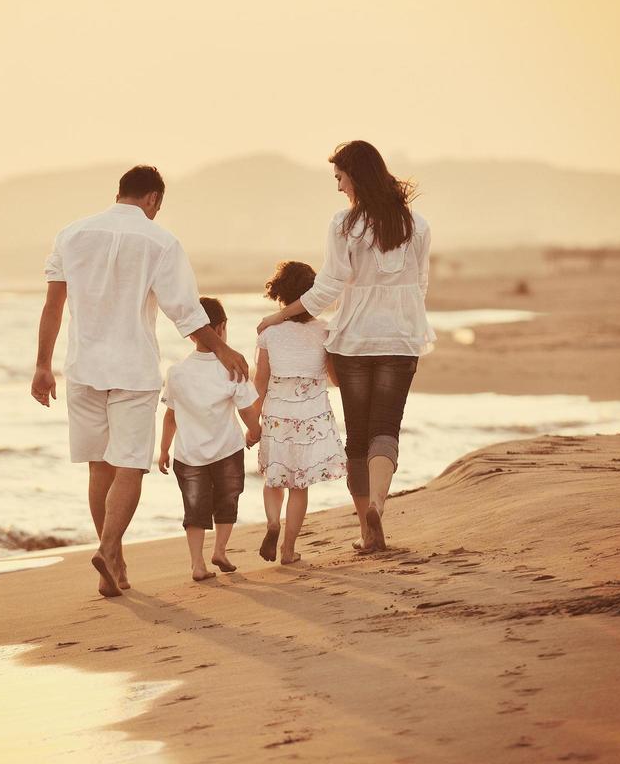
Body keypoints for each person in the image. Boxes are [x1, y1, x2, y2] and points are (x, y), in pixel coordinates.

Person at [33, 165, 250, 598]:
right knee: (130, 464)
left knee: (99, 465)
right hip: (133, 369)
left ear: (120, 193)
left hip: (82, 367)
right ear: (153, 200)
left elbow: (53, 307)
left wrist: (42, 365)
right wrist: (223, 349)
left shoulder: (71, 235)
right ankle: (109, 547)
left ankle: (109, 563)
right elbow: (185, 312)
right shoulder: (161, 241)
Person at [256, 141, 433, 553]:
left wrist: (278, 317)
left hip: (353, 342)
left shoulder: (344, 225)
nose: (338, 187)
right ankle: (376, 506)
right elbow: (420, 286)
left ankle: (366, 530)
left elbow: (327, 289)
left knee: (357, 436)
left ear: (356, 175)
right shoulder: (417, 225)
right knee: (386, 429)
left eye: (340, 177)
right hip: (402, 340)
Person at [157, 297, 262, 582]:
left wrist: (164, 449)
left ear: (191, 333)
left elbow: (170, 416)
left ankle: (197, 564)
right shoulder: (234, 366)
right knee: (228, 500)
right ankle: (220, 550)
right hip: (227, 450)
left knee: (194, 509)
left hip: (188, 455)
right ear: (222, 328)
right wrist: (256, 432)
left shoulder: (177, 372)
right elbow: (246, 411)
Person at [251, 261, 347, 565]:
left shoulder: (269, 332)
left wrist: (252, 423)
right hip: (312, 417)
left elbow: (260, 382)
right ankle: (289, 549)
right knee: (299, 485)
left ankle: (272, 523)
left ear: (280, 293)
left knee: (273, 478)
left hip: (278, 413)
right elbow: (335, 379)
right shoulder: (324, 331)